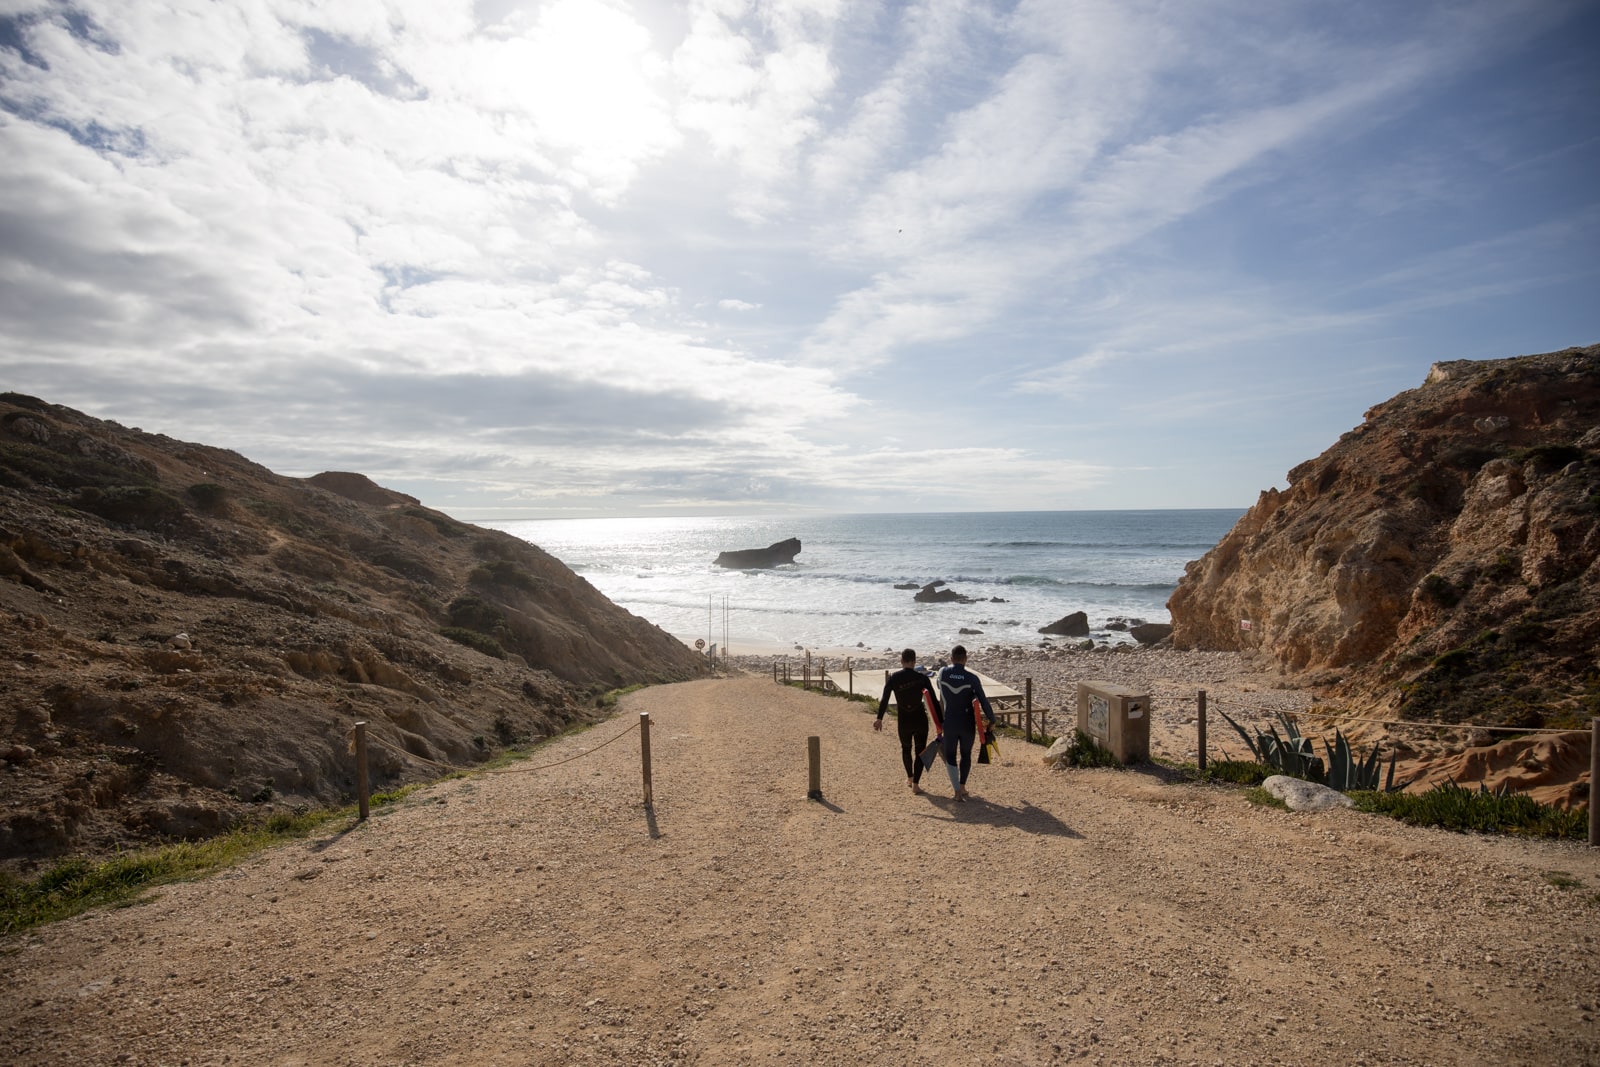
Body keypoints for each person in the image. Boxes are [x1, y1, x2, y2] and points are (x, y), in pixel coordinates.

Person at [875, 648, 941, 794]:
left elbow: (885, 698)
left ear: (901, 661)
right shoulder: (922, 678)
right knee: (920, 751)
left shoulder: (894, 678)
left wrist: (879, 718)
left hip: (904, 720)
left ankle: (910, 778)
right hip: (920, 720)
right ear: (914, 661)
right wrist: (940, 722)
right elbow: (934, 702)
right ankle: (916, 784)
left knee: (906, 749)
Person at [936, 645, 995, 802]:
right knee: (966, 755)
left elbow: (938, 687)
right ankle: (962, 787)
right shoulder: (972, 679)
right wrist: (992, 720)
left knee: (950, 755)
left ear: (951, 658)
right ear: (966, 659)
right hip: (967, 723)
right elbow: (983, 701)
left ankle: (956, 791)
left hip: (949, 722)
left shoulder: (942, 673)